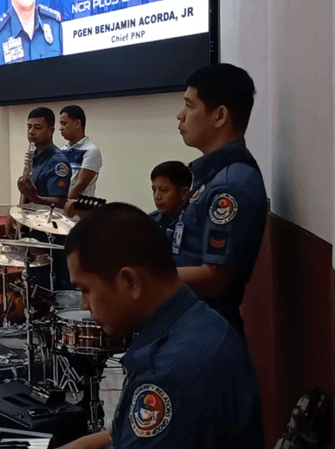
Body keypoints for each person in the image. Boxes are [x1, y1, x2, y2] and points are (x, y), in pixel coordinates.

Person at [60, 202, 264, 449]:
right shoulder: (196, 321)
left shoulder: (168, 372)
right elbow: (121, 434)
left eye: (86, 290)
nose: (84, 305)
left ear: (129, 281)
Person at [173, 63, 268, 337]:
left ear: (219, 116)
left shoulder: (231, 184)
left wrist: (141, 276)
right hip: (190, 320)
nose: (180, 116)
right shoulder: (212, 175)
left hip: (206, 331)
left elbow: (215, 279)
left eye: (189, 106)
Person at [7, 106, 72, 289]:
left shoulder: (57, 162)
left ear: (51, 130)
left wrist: (34, 196)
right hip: (31, 230)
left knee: (47, 285)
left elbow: (60, 202)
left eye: (37, 127)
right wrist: (13, 213)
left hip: (49, 234)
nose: (31, 132)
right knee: (31, 281)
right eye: (29, 127)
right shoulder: (34, 156)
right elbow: (25, 191)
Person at [59, 105, 102, 199]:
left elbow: (79, 185)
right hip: (57, 206)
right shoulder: (62, 150)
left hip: (76, 209)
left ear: (77, 123)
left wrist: (62, 204)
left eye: (64, 123)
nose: (61, 128)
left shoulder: (91, 150)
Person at [148, 160, 192, 233]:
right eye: (154, 190)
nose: (157, 196)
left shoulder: (195, 224)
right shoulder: (148, 223)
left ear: (184, 193)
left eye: (163, 190)